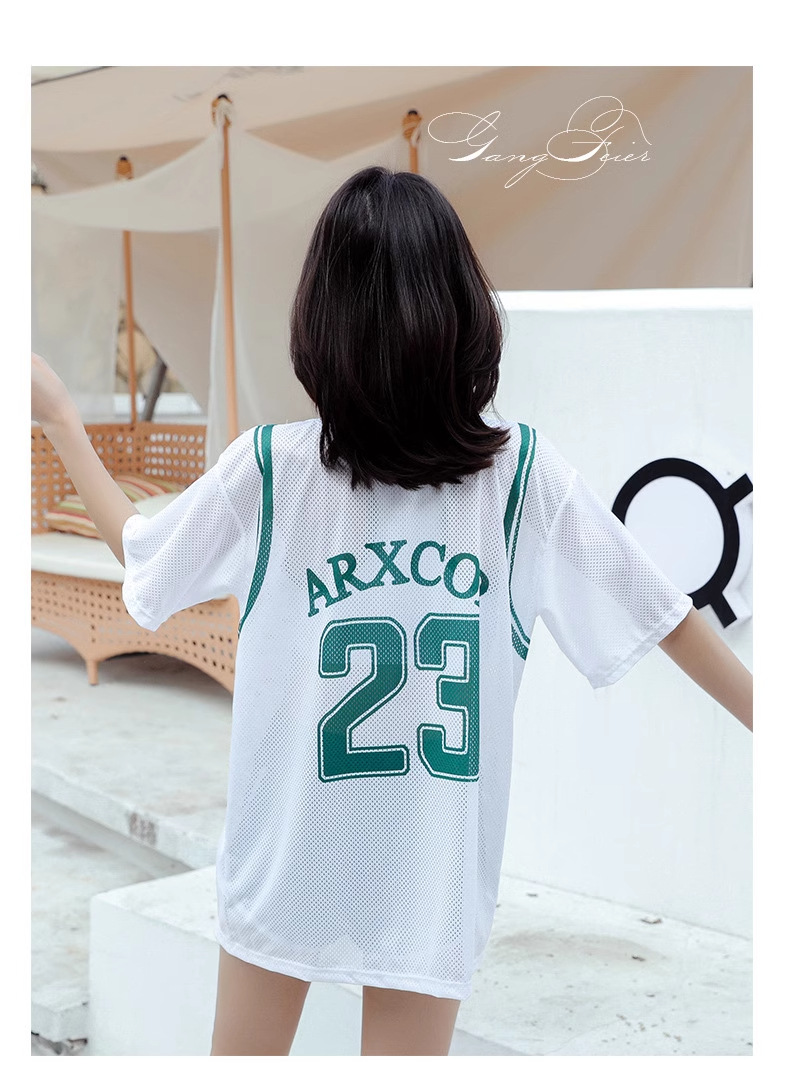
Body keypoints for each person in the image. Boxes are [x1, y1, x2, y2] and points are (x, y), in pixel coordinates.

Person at [31, 166, 752, 1058]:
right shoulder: (521, 479)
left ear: (321, 323)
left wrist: (63, 419)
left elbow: (143, 556)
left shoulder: (273, 470)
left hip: (289, 856)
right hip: (428, 878)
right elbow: (664, 612)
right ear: (463, 315)